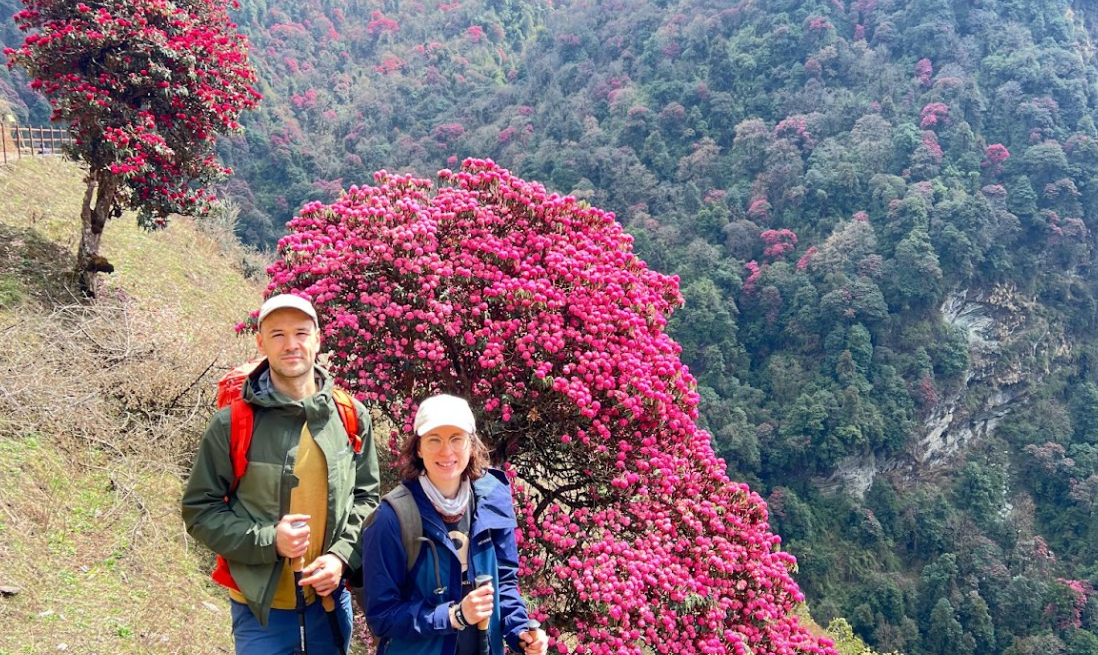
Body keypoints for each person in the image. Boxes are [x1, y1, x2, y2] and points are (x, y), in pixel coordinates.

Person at [182, 293, 380, 654]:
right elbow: (200, 511)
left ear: (318, 339)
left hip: (329, 603)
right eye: (277, 335)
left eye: (301, 333)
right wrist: (270, 540)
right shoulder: (232, 423)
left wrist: (340, 557)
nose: (291, 345)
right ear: (260, 343)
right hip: (261, 611)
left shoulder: (350, 416)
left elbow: (367, 500)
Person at [362, 394, 549, 655]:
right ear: (418, 448)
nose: (446, 452)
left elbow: (504, 584)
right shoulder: (392, 517)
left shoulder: (491, 502)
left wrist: (520, 633)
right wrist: (454, 616)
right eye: (434, 440)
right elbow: (382, 616)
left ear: (471, 445)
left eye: (456, 439)